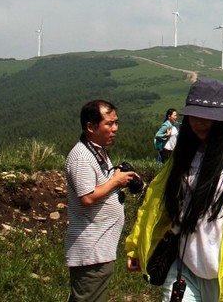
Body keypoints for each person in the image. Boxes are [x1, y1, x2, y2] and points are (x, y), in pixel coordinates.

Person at [125, 79, 223, 302]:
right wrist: (136, 245)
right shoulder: (182, 155)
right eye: (195, 115)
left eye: (209, 117)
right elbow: (155, 202)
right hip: (183, 269)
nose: (200, 123)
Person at [65, 100, 139, 302]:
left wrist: (116, 180)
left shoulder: (97, 150)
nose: (115, 129)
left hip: (99, 250)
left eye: (116, 123)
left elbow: (98, 188)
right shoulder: (81, 156)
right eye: (109, 124)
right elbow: (87, 197)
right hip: (90, 252)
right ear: (91, 126)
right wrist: (115, 181)